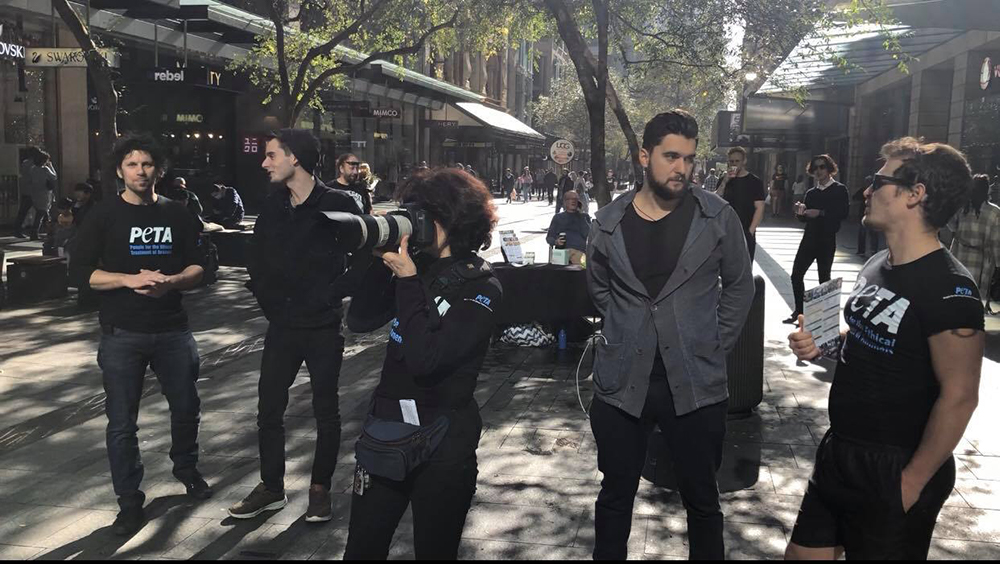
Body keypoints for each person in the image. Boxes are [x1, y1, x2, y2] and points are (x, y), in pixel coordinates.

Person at [786, 137, 983, 560]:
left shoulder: (951, 290)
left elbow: (961, 396)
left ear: (916, 194)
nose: (867, 191)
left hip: (895, 466)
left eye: (878, 181)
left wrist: (911, 482)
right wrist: (820, 344)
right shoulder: (878, 265)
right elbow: (868, 342)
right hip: (841, 452)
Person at [586, 110, 755, 560]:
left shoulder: (717, 217)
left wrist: (715, 340)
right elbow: (599, 287)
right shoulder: (608, 222)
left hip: (696, 383)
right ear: (645, 156)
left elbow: (740, 284)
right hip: (623, 384)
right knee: (615, 493)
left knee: (702, 499)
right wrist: (627, 328)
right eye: (671, 156)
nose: (682, 168)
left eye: (689, 158)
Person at [344, 167, 502, 559]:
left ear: (451, 220)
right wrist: (377, 259)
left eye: (421, 213)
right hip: (387, 432)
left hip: (443, 444)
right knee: (362, 550)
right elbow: (360, 320)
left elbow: (425, 360)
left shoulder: (481, 287)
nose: (412, 221)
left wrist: (410, 283)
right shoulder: (413, 266)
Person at [70, 134, 211, 536]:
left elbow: (201, 267)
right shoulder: (102, 215)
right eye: (132, 164)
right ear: (120, 171)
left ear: (159, 170)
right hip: (122, 333)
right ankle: (129, 501)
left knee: (186, 407)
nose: (140, 171)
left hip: (172, 330)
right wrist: (128, 280)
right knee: (121, 423)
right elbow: (80, 273)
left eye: (147, 164)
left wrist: (173, 282)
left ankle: (186, 467)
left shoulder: (178, 213)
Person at [229, 129, 363, 522]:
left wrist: (333, 295)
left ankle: (319, 490)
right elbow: (255, 259)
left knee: (327, 411)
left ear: (296, 160)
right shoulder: (272, 205)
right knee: (268, 409)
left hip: (322, 327)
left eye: (272, 155)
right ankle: (271, 488)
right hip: (282, 326)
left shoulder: (337, 203)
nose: (264, 162)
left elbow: (364, 256)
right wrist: (269, 302)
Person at [783, 155, 850, 324]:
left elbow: (843, 214)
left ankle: (824, 315)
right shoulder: (811, 193)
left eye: (822, 167)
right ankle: (800, 311)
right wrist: (800, 213)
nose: (819, 171)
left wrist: (820, 213)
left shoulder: (839, 189)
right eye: (815, 168)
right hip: (809, 238)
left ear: (829, 169)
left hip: (827, 239)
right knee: (796, 275)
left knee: (824, 277)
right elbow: (805, 218)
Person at [949, 174, 1000, 314]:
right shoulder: (994, 212)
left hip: (959, 255)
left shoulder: (962, 208)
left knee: (958, 290)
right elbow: (996, 242)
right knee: (978, 294)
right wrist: (998, 266)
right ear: (986, 191)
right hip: (983, 260)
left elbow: (952, 226)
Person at [717, 146, 766, 261]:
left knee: (745, 266)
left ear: (744, 161)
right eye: (731, 161)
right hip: (725, 231)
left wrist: (750, 231)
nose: (734, 164)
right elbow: (715, 200)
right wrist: (725, 181)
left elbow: (760, 207)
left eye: (737, 161)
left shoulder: (755, 182)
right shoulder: (724, 180)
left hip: (745, 230)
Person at [14, 149, 58, 240]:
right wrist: (50, 166)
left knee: (24, 212)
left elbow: (25, 177)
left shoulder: (28, 165)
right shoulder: (44, 168)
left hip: (29, 191)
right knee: (41, 213)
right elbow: (54, 177)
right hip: (41, 194)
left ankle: (19, 230)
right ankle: (39, 232)